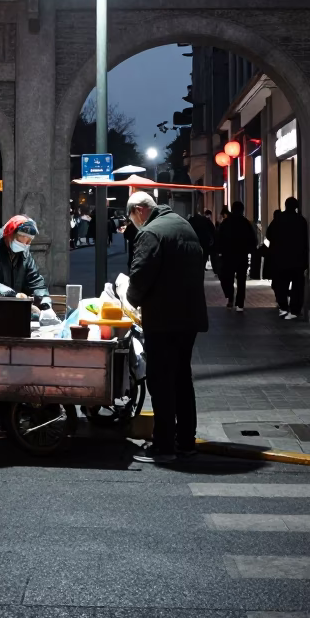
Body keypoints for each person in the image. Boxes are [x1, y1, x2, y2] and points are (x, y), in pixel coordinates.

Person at [126, 192, 208, 466]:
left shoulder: (151, 233)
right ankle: (186, 442)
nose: (134, 223)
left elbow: (140, 275)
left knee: (161, 380)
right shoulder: (184, 226)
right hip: (189, 317)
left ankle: (163, 446)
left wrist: (131, 300)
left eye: (132, 217)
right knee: (182, 377)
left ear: (140, 210)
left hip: (163, 318)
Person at [0, 215, 56, 439]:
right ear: (9, 234)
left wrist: (45, 303)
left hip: (10, 314)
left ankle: (10, 417)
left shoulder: (23, 252)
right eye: (22, 239)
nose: (25, 244)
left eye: (29, 241)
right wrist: (15, 295)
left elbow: (35, 279)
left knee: (12, 366)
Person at [267, 196, 309, 320]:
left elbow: (269, 235)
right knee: (297, 286)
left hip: (280, 259)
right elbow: (305, 241)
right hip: (297, 260)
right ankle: (295, 310)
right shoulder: (301, 220)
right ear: (296, 207)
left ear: (285, 206)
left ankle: (283, 307)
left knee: (281, 285)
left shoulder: (278, 220)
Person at [217, 200, 257, 312]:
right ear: (242, 210)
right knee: (241, 280)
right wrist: (250, 251)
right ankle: (240, 304)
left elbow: (219, 238)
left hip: (228, 256)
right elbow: (253, 240)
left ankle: (230, 298)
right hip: (242, 256)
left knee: (227, 277)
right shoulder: (246, 223)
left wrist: (220, 251)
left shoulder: (226, 223)